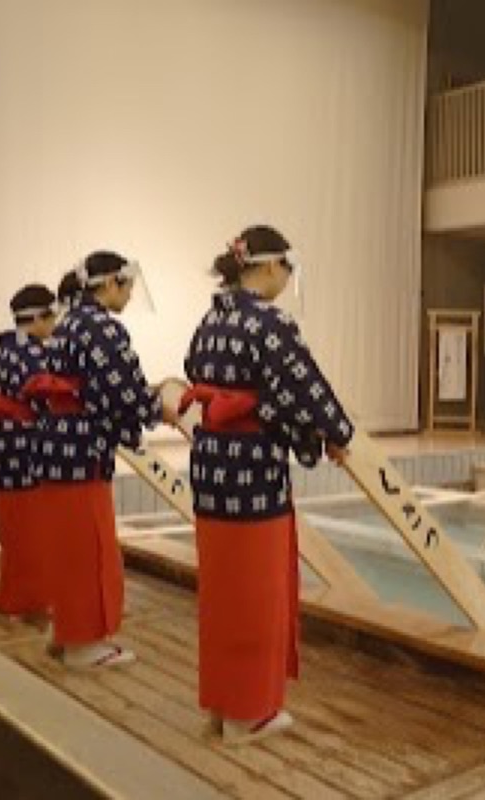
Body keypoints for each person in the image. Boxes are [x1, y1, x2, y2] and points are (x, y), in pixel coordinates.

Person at [182, 225, 354, 745]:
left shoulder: (212, 317)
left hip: (211, 469)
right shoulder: (269, 322)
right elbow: (304, 384)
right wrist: (335, 434)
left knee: (221, 591)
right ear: (271, 266)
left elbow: (197, 371)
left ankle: (222, 701)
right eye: (288, 268)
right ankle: (248, 712)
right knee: (257, 592)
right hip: (253, 474)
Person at [26, 252, 173, 669]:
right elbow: (122, 392)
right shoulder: (103, 328)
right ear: (109, 284)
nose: (128, 295)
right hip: (81, 451)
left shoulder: (69, 321)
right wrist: (160, 407)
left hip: (56, 445)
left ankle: (65, 629)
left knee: (64, 546)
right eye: (125, 286)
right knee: (89, 547)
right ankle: (83, 643)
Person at [0, 284, 58, 622]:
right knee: (33, 527)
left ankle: (13, 595)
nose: (53, 324)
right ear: (36, 318)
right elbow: (43, 399)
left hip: (2, 439)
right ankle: (30, 601)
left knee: (13, 526)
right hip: (25, 441)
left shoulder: (1, 349)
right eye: (50, 316)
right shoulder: (34, 355)